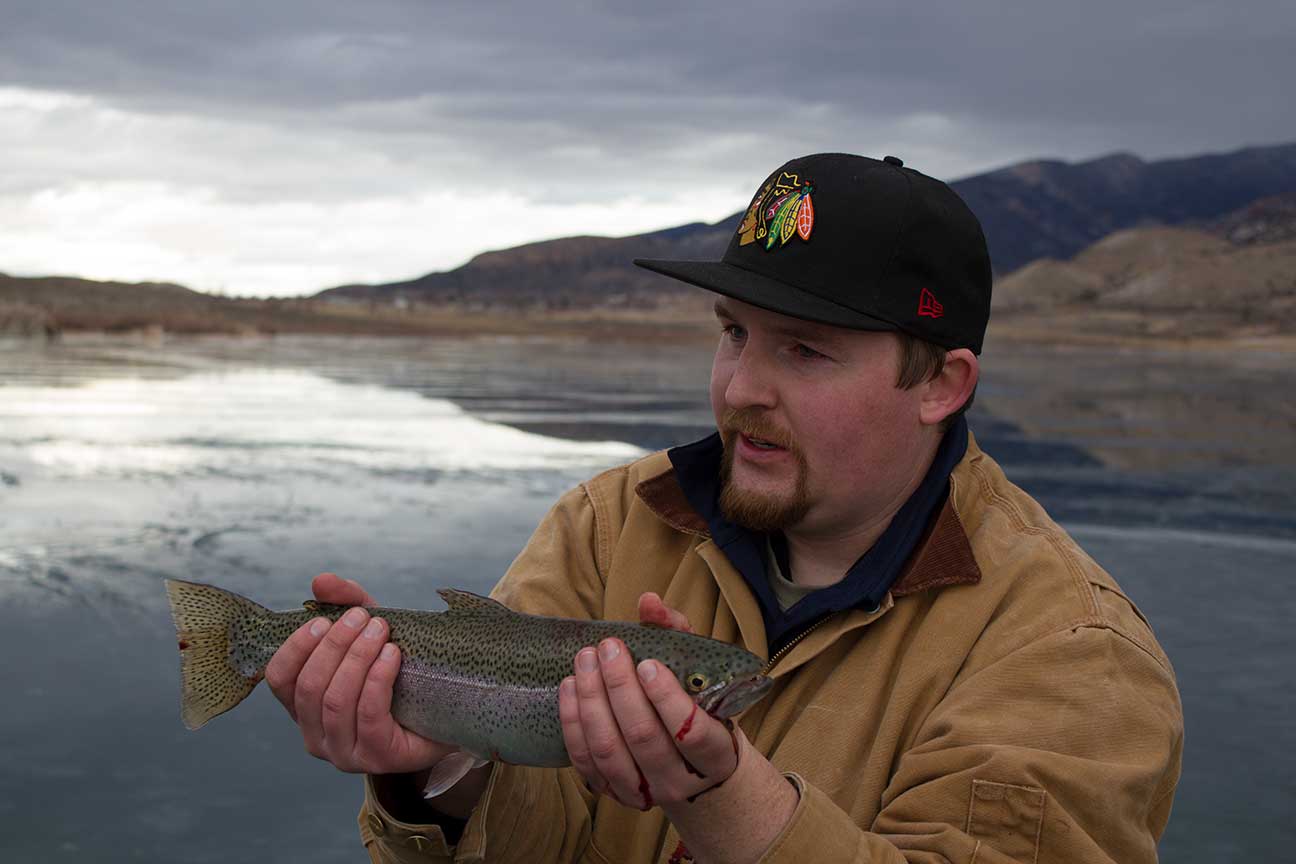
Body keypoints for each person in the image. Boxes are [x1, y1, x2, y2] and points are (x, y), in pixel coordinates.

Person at [265, 152, 1183, 863]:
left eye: (805, 352)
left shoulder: (1073, 655)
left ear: (941, 384)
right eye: (735, 334)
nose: (740, 387)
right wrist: (430, 774)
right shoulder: (610, 523)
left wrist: (723, 797)